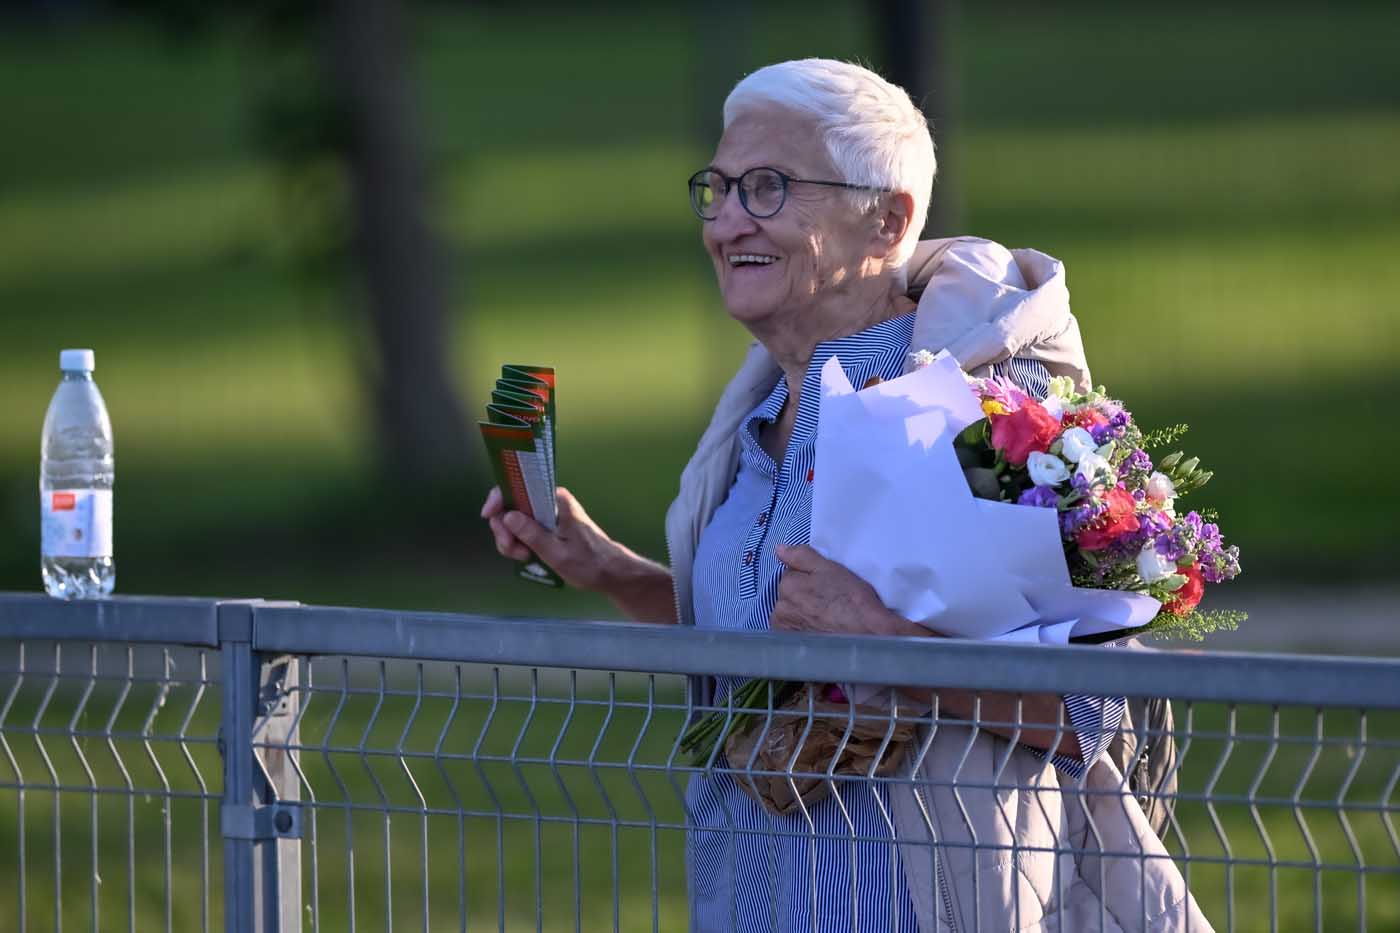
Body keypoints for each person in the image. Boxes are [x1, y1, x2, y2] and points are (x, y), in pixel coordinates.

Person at [482, 58, 1207, 932]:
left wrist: (885, 640)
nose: (727, 222)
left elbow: (1093, 709)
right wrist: (610, 570)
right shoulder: (756, 415)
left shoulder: (982, 407)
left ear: (887, 220)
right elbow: (759, 646)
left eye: (769, 187)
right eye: (718, 188)